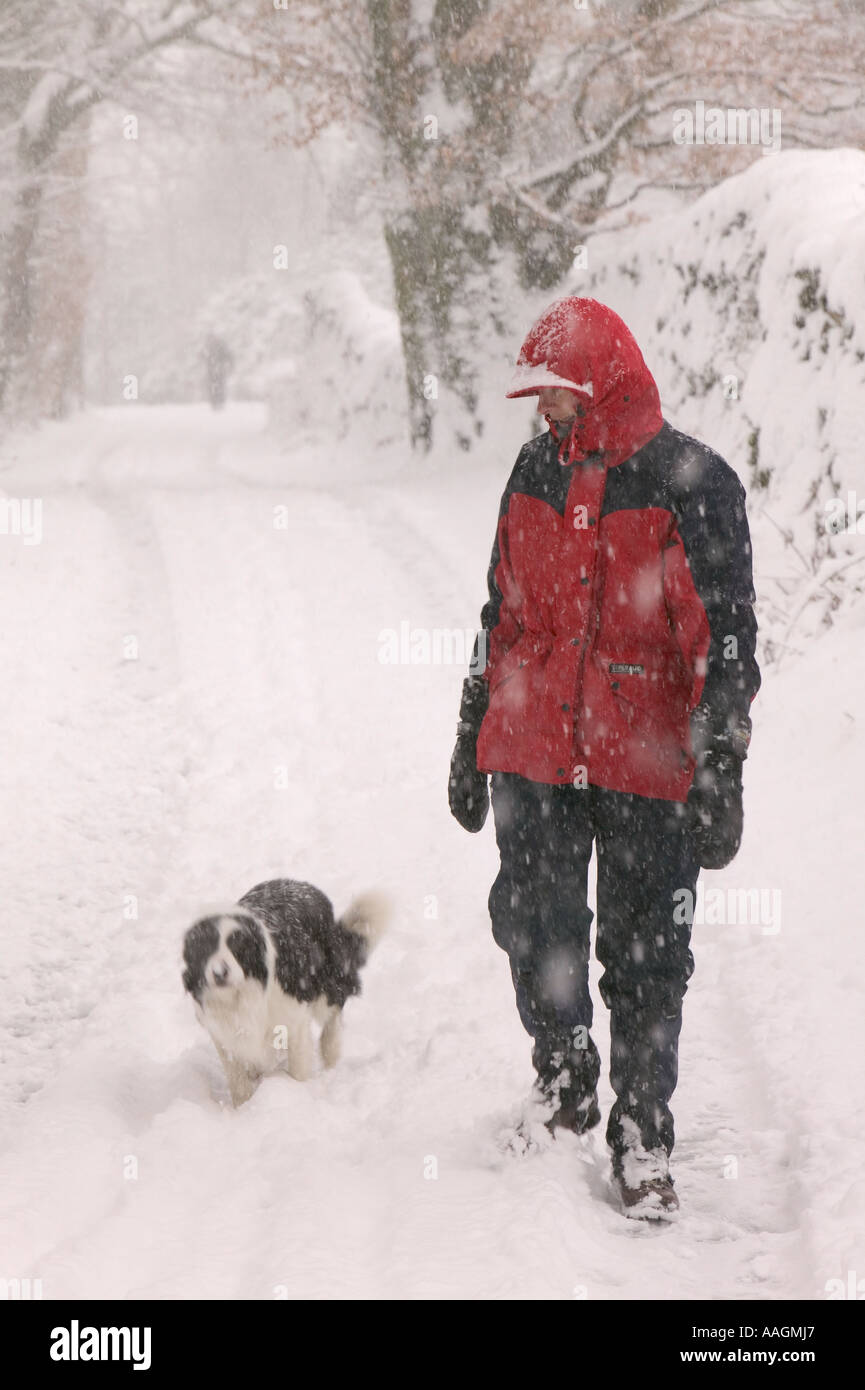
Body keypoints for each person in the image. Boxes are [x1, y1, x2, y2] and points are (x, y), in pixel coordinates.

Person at [448, 296, 760, 1219]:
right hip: (534, 751)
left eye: (558, 397)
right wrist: (470, 731)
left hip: (644, 759)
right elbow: (500, 613)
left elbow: (726, 641)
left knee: (647, 953)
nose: (544, 415)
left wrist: (721, 763)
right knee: (533, 927)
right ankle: (563, 1086)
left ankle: (641, 1132)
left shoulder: (689, 481)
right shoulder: (534, 468)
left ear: (605, 387)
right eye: (537, 399)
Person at [203, 332, 234, 410]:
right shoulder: (213, 347)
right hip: (216, 369)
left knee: (216, 386)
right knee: (217, 386)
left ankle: (217, 403)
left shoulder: (213, 347)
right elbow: (229, 356)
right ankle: (217, 403)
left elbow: (229, 356)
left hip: (216, 369)